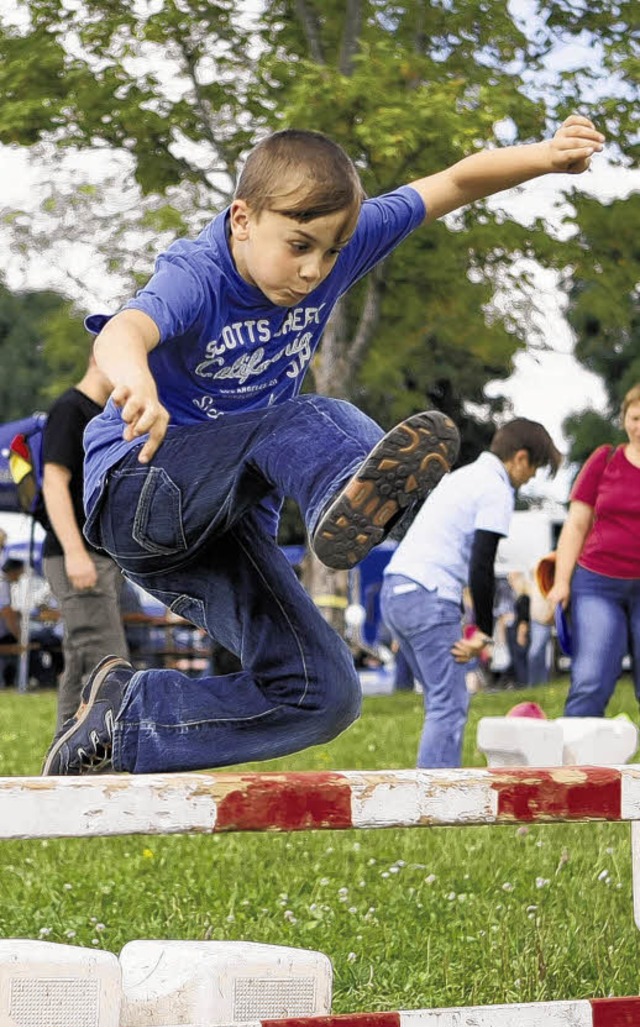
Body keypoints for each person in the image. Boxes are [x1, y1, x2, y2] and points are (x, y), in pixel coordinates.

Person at [42, 116, 602, 777]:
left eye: (331, 252)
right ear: (243, 218)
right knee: (303, 418)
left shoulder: (340, 240)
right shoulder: (200, 272)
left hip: (212, 530)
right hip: (141, 485)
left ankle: (129, 720)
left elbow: (452, 182)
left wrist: (545, 157)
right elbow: (125, 329)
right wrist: (136, 378)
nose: (314, 270)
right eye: (299, 245)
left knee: (322, 690)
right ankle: (348, 489)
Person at [380, 419, 561, 767]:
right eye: (534, 469)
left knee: (440, 700)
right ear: (520, 458)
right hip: (429, 595)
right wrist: (484, 632)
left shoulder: (462, 477)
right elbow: (482, 563)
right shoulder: (496, 489)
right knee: (449, 703)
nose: (530, 478)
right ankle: (435, 802)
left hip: (397, 590)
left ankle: (426, 789)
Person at [41, 355, 130, 728]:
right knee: (108, 662)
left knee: (80, 663)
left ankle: (68, 767)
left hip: (98, 556)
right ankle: (102, 771)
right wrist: (76, 552)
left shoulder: (105, 414)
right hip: (77, 554)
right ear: (98, 357)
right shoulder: (71, 409)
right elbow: (54, 482)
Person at [547, 384, 640, 716]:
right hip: (598, 583)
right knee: (591, 678)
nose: (639, 426)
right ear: (624, 418)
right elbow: (575, 526)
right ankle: (576, 764)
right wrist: (560, 583)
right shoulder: (605, 459)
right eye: (635, 417)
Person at [0, 558, 25, 687]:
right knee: (31, 646)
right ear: (14, 571)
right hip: (2, 635)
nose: (21, 576)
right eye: (21, 572)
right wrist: (20, 637)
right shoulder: (3, 584)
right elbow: (6, 612)